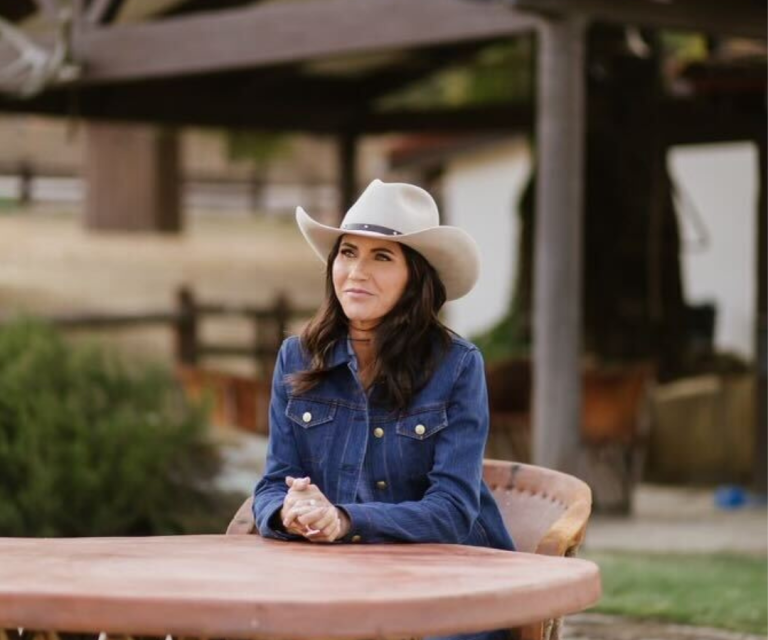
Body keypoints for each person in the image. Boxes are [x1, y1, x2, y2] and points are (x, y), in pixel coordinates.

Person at [253, 179, 515, 640]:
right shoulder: (296, 358)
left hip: (450, 592)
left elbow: (453, 511)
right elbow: (274, 483)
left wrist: (347, 520)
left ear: (417, 277)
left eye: (382, 257)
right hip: (340, 583)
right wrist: (290, 511)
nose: (356, 272)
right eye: (348, 252)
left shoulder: (457, 366)